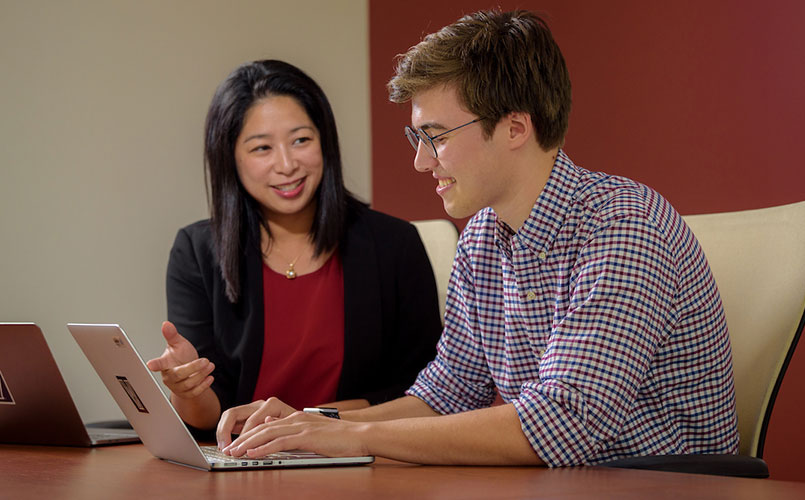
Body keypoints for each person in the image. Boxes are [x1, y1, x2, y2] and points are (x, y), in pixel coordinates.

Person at [212, 10, 740, 466]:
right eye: (417, 137)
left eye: (436, 137)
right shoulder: (483, 238)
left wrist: (355, 436)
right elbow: (447, 393)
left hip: (662, 483)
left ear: (515, 128)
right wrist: (308, 424)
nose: (421, 162)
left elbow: (564, 422)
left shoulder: (623, 224)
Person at [145, 60, 442, 433]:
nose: (286, 165)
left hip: (361, 455)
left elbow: (425, 392)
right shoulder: (197, 251)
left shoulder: (395, 245)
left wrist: (308, 422)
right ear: (230, 158)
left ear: (324, 141)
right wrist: (189, 389)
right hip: (241, 459)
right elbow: (207, 419)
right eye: (261, 148)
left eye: (301, 140)